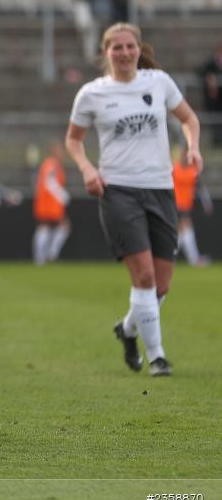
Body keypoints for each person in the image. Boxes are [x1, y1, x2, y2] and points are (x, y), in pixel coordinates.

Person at [65, 22, 203, 377]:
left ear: (139, 50)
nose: (124, 53)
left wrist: (193, 145)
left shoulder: (158, 83)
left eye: (130, 46)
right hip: (118, 191)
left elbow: (188, 118)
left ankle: (127, 330)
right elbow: (73, 140)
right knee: (143, 276)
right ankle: (157, 356)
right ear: (105, 52)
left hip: (160, 189)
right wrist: (86, 169)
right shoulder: (92, 93)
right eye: (117, 47)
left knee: (162, 284)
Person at [172, 146, 213, 266]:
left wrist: (207, 203)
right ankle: (194, 259)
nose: (183, 157)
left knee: (181, 232)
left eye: (185, 155)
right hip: (175, 204)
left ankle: (168, 256)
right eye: (182, 154)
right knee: (186, 228)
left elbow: (201, 189)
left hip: (186, 205)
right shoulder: (174, 169)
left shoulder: (193, 171)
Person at [32, 141, 71, 265]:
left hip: (49, 202)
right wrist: (61, 194)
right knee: (59, 226)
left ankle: (44, 257)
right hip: (49, 202)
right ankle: (48, 255)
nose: (62, 153)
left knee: (48, 227)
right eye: (59, 150)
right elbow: (49, 182)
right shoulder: (51, 164)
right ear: (53, 151)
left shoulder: (52, 164)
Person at [199, 43, 222, 146]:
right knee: (215, 121)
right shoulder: (210, 63)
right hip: (213, 99)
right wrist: (208, 77)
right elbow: (200, 71)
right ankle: (216, 142)